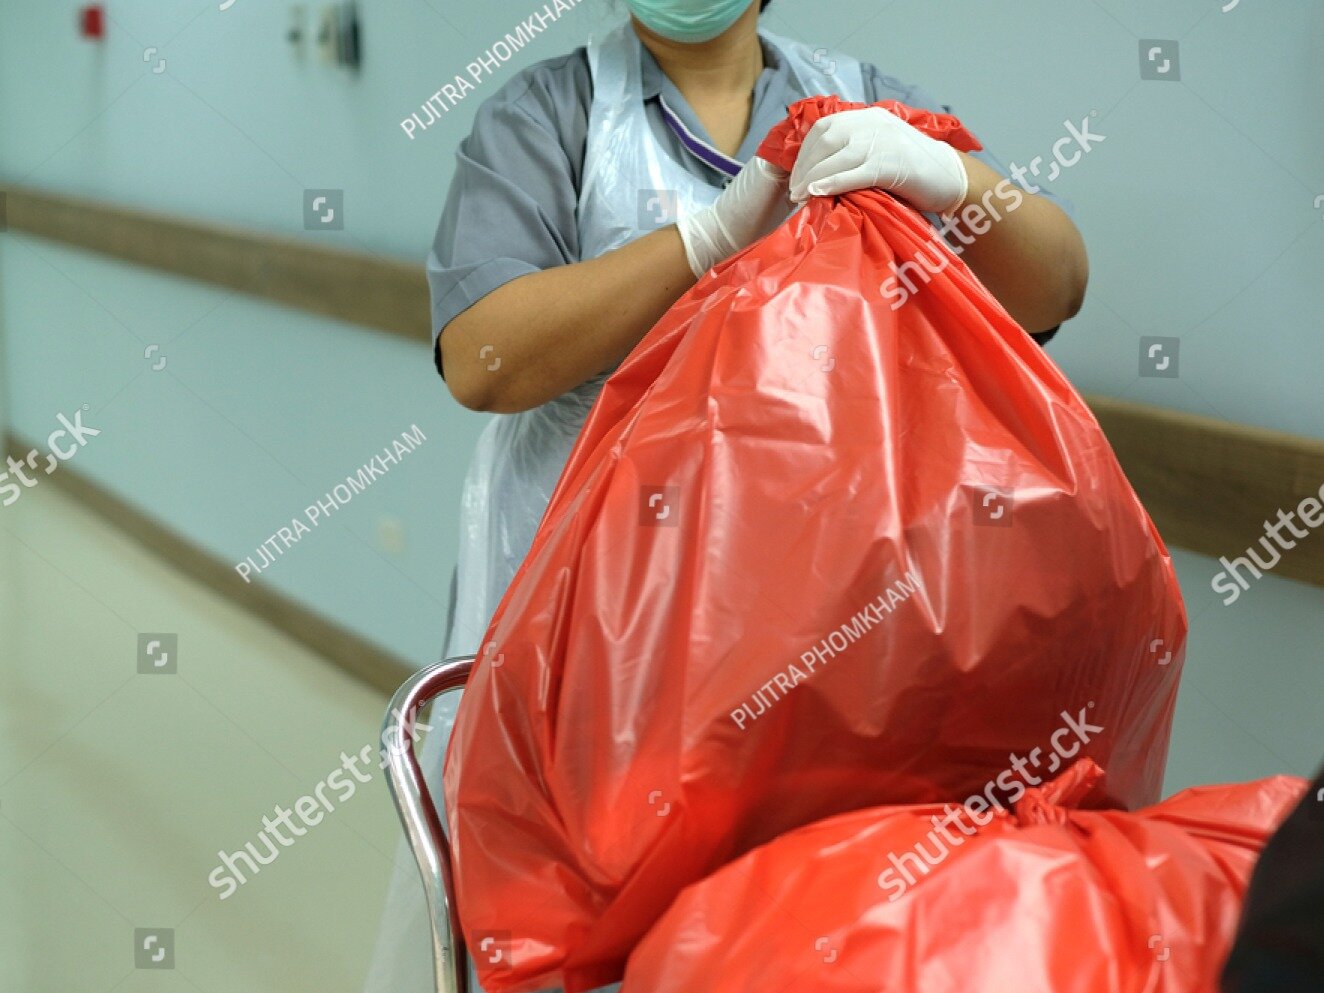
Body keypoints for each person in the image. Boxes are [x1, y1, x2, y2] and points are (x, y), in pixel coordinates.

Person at [364, 2, 1088, 991]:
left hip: (830, 627)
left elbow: (1053, 286)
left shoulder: (866, 102)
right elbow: (484, 358)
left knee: (799, 922)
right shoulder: (549, 116)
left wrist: (950, 177)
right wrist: (704, 239)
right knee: (594, 922)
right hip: (603, 627)